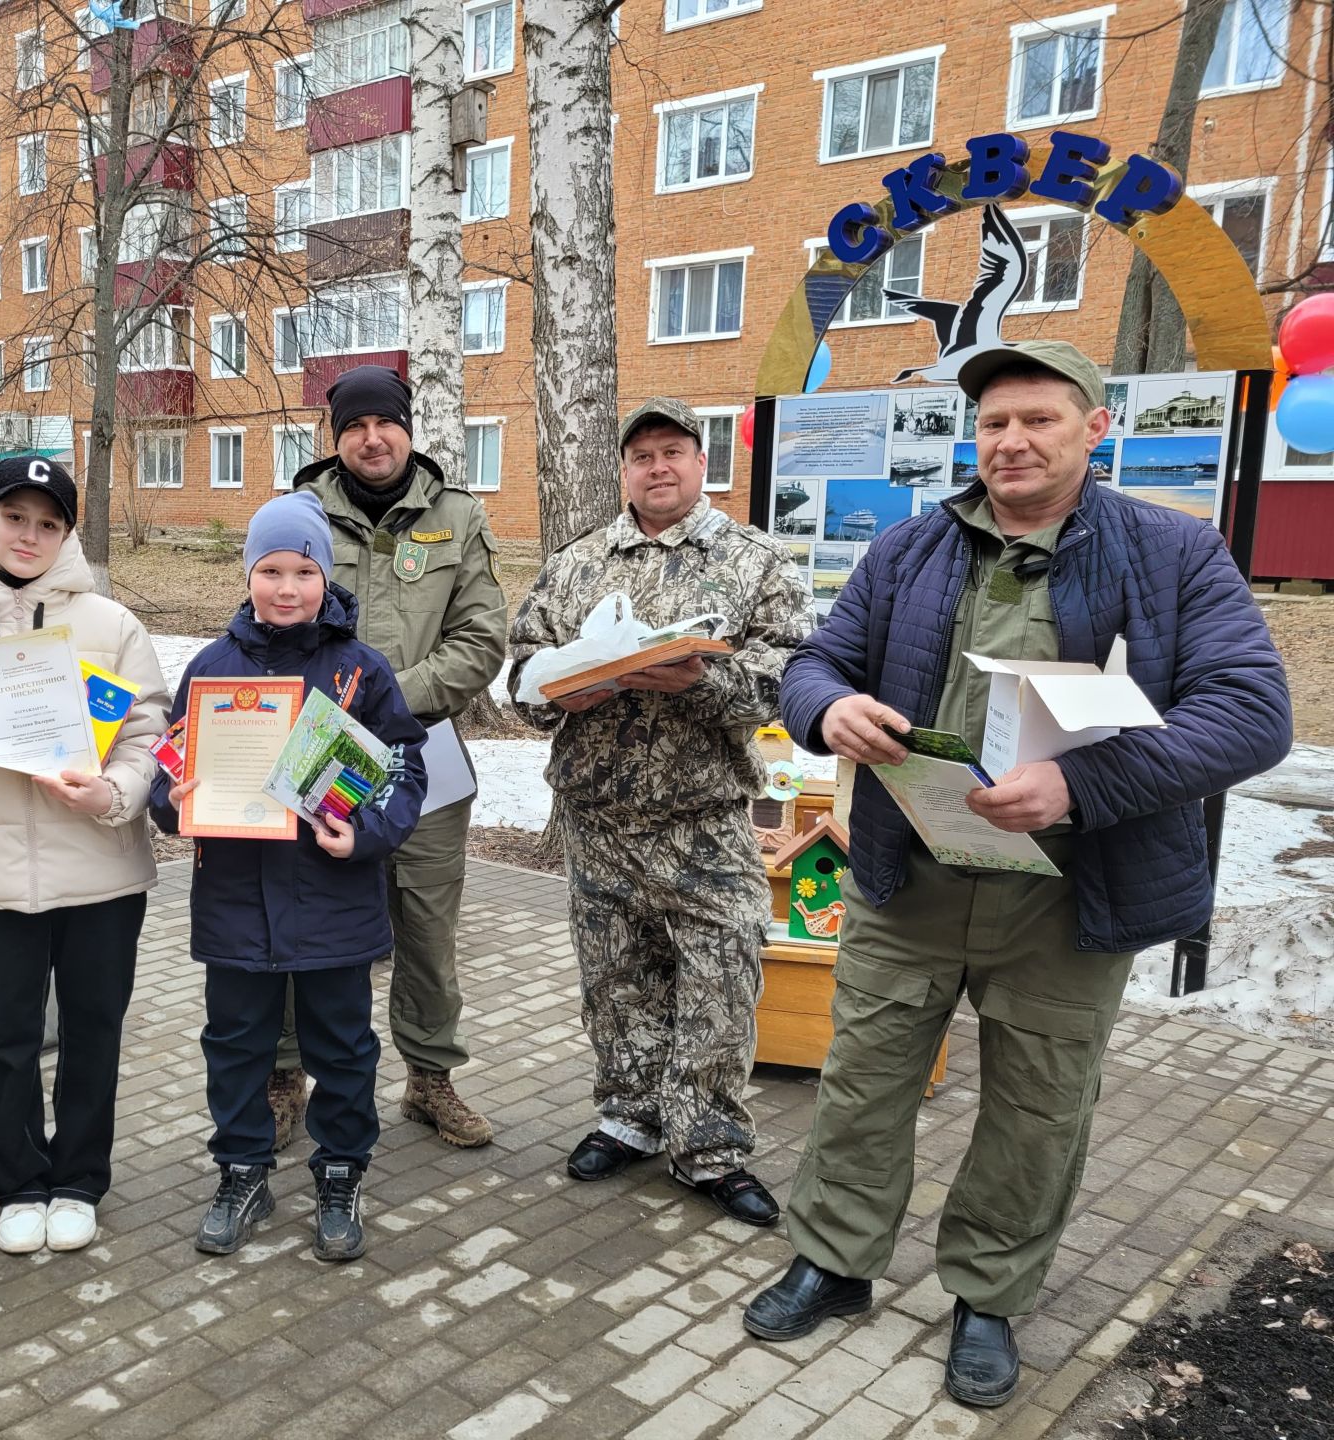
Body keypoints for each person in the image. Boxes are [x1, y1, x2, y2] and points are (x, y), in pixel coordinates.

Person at [751, 340, 1293, 1408]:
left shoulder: (1174, 555)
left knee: (1037, 1107)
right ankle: (835, 1259)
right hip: (908, 876)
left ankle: (988, 1297)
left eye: (1039, 419)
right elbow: (814, 661)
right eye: (994, 423)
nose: (1012, 441)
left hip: (1068, 891)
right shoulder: (909, 551)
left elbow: (1251, 714)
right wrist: (827, 708)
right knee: (863, 1082)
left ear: (1096, 428)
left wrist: (1083, 787)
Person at [508, 397, 811, 1226]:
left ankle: (709, 1146)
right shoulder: (575, 564)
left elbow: (790, 677)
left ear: (700, 460)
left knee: (718, 983)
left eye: (673, 450)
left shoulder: (752, 559)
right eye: (641, 455)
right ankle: (629, 1117)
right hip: (599, 820)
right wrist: (564, 685)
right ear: (625, 471)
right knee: (616, 984)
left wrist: (701, 679)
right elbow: (523, 675)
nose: (658, 467)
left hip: (703, 821)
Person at [0, 456, 167, 1255]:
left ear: (67, 533)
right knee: (3, 1037)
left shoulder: (111, 626)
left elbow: (147, 734)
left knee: (94, 1032)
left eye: (48, 523)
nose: (30, 535)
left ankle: (80, 1178)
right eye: (15, 518)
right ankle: (18, 1182)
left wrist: (112, 794)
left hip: (100, 869)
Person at [152, 490, 428, 1262]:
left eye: (302, 571)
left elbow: (402, 770)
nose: (285, 588)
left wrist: (366, 832)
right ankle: (242, 1170)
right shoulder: (211, 669)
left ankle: (340, 1171)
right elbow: (168, 769)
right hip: (236, 906)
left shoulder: (360, 672)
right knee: (235, 1045)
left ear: (325, 577)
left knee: (342, 1048)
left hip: (334, 902)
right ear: (247, 574)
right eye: (269, 570)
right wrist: (170, 803)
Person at [278, 364, 508, 1151]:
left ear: (408, 429)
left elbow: (481, 641)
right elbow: (266, 623)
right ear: (335, 437)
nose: (371, 439)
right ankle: (284, 1077)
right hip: (316, 756)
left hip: (425, 757)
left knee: (426, 927)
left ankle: (430, 1079)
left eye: (385, 423)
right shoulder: (296, 513)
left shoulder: (459, 518)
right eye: (353, 427)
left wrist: (381, 700)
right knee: (303, 918)